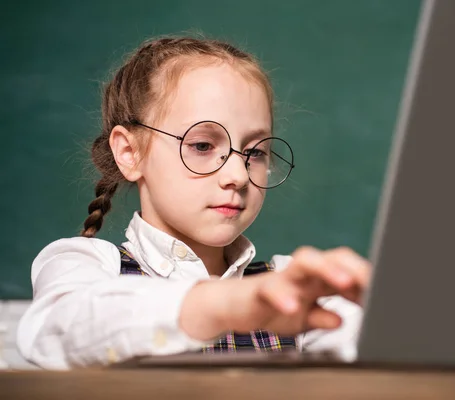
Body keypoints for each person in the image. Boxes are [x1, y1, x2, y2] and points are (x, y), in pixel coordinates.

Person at [16, 36, 371, 370]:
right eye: (202, 145)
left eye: (255, 152)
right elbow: (59, 328)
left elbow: (375, 349)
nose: (238, 175)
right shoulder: (83, 263)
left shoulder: (291, 288)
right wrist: (223, 304)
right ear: (129, 152)